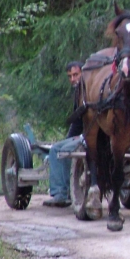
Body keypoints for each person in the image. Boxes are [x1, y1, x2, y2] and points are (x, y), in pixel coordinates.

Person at [43, 61, 84, 207]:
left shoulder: (88, 92)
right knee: (56, 149)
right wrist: (69, 138)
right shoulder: (79, 93)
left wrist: (81, 137)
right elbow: (77, 121)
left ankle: (64, 193)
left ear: (82, 73)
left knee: (65, 151)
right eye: (70, 76)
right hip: (81, 136)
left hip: (89, 137)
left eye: (75, 75)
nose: (73, 79)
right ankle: (59, 193)